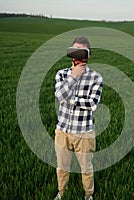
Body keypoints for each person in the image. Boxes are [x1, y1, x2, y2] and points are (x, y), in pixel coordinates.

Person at [54, 36, 103, 200]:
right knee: (62, 167)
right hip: (62, 131)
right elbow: (60, 96)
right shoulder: (62, 74)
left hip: (84, 133)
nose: (77, 57)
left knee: (86, 168)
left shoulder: (96, 78)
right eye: (74, 52)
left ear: (88, 55)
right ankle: (62, 192)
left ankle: (88, 195)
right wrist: (73, 77)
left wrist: (71, 100)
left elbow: (92, 104)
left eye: (82, 53)